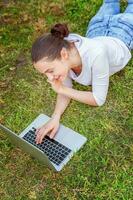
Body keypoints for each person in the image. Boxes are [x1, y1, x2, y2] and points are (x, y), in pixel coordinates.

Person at [31, 0, 132, 144]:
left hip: (123, 30)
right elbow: (66, 89)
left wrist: (61, 89)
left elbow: (98, 99)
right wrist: (55, 117)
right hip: (97, 29)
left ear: (64, 54)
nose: (49, 78)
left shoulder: (97, 55)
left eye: (50, 71)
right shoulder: (63, 53)